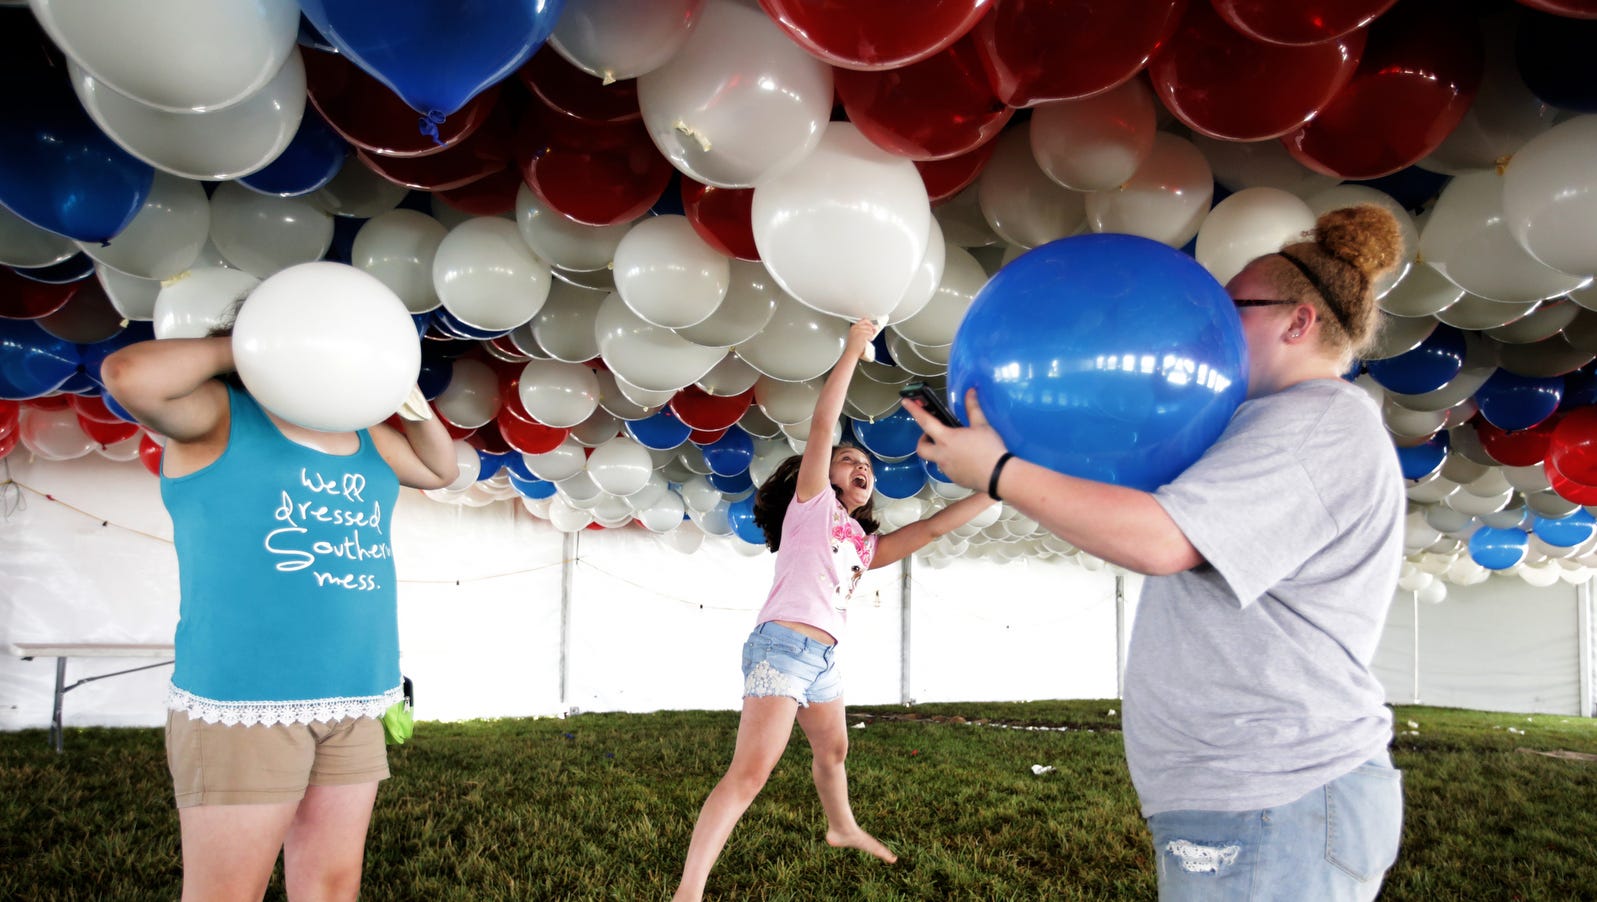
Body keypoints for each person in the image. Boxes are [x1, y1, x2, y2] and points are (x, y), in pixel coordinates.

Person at [905, 206, 1407, 901]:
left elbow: (1164, 540)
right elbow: (1139, 521)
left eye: (1228, 309)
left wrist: (1000, 472)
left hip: (1275, 792)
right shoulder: (1258, 426)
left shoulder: (1316, 423)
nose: (1203, 326)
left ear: (1298, 322)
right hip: (1253, 795)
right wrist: (1014, 466)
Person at [102, 327, 458, 902]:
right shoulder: (220, 414)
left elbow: (440, 471)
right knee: (227, 893)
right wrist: (255, 344)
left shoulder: (360, 429)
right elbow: (128, 376)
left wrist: (407, 399)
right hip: (245, 701)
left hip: (355, 694)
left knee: (333, 887)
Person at [672, 319, 999, 902]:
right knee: (749, 775)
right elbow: (824, 423)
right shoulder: (811, 506)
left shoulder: (862, 544)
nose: (860, 465)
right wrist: (852, 351)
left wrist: (994, 488)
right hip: (782, 647)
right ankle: (689, 893)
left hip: (822, 658)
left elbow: (927, 529)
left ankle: (841, 825)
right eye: (848, 459)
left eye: (864, 464)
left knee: (834, 749)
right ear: (820, 474)